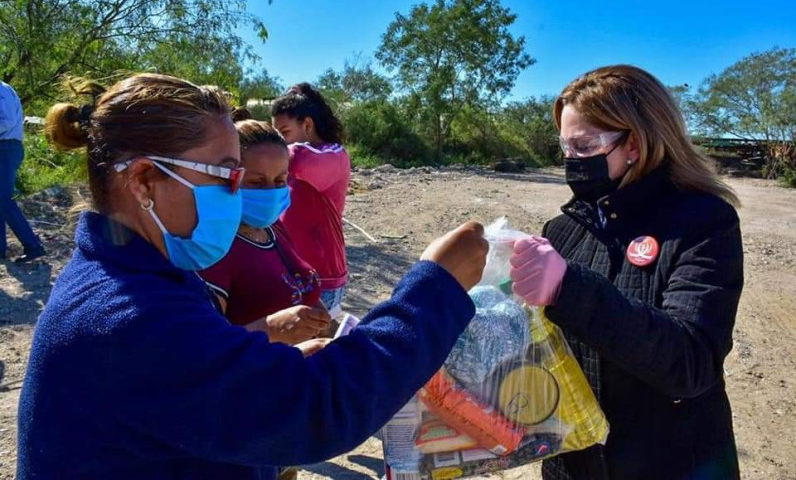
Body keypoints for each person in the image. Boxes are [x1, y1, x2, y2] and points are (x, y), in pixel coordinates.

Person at [17, 73, 487, 480]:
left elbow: (199, 383)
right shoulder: (128, 316)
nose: (239, 194)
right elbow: (316, 409)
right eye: (226, 177)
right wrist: (436, 287)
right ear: (142, 181)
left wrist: (264, 361)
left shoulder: (138, 277)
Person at [508, 65, 744, 480]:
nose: (571, 160)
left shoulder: (704, 222)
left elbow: (691, 363)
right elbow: (542, 352)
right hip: (575, 464)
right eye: (565, 146)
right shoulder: (562, 230)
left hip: (674, 464)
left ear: (634, 144)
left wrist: (568, 287)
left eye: (584, 145)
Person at [200, 119, 331, 351]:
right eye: (257, 182)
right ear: (228, 179)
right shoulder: (213, 249)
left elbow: (301, 290)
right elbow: (205, 351)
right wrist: (271, 330)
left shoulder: (272, 228)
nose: (271, 191)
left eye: (280, 180)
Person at [271, 84, 350, 318]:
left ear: (307, 125)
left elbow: (300, 159)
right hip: (290, 273)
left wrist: (264, 148)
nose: (280, 142)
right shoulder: (286, 161)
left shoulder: (334, 155)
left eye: (284, 133)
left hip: (322, 277)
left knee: (316, 339)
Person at [0, 80, 46, 263]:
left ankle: (33, 246)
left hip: (6, 148)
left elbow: (7, 121)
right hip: (5, 148)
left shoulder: (2, 90)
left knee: (3, 200)